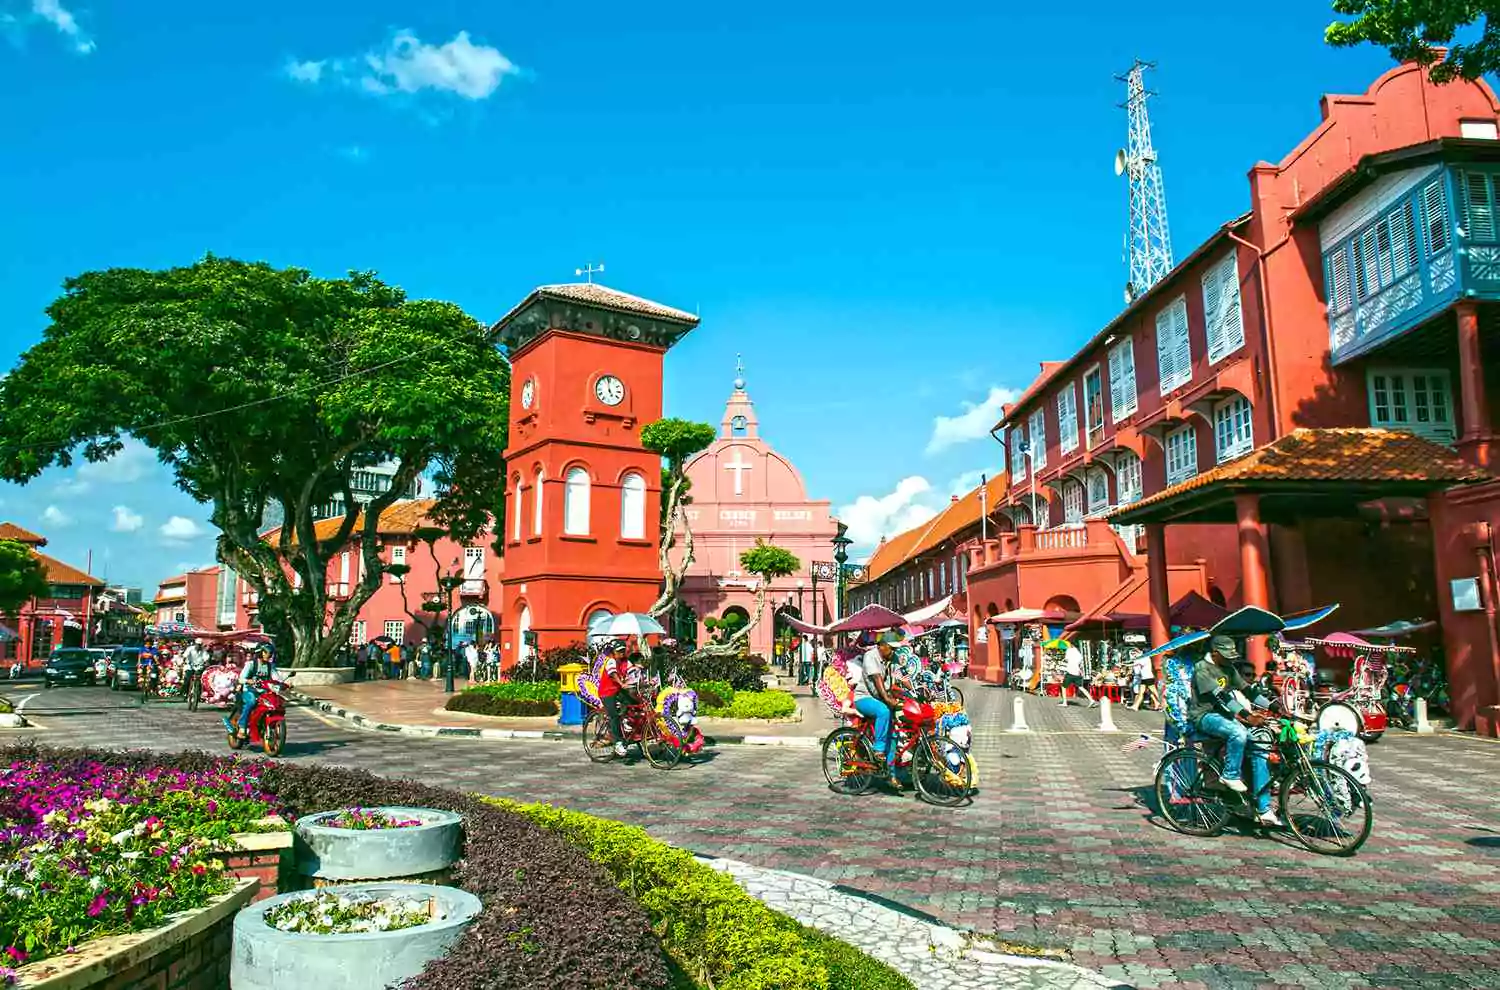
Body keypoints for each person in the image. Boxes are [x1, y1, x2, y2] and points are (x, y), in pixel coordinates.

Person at [1190, 635, 1278, 827]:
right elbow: (1222, 697)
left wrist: (1274, 706)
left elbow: (1249, 691)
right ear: (1215, 653)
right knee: (1238, 732)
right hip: (1205, 716)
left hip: (1226, 716)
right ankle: (1229, 775)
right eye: (1226, 655)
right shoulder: (1201, 669)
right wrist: (1247, 716)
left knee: (1260, 750)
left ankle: (1263, 809)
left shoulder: (1228, 668)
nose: (1231, 660)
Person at [851, 630, 903, 782]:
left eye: (895, 649)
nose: (893, 651)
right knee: (883, 711)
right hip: (864, 698)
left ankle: (891, 774)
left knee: (893, 735)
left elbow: (900, 677)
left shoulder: (892, 658)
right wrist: (888, 699)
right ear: (881, 646)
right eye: (891, 648)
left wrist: (913, 690)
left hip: (881, 698)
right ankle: (878, 749)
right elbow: (877, 679)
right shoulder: (870, 656)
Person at [597, 639, 637, 758]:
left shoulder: (625, 662)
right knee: (613, 715)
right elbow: (613, 674)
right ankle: (618, 743)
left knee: (633, 702)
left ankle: (626, 722)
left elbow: (632, 671)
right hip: (607, 692)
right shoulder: (611, 661)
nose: (622, 653)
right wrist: (622, 683)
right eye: (619, 651)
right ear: (614, 652)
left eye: (623, 651)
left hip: (618, 690)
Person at [231, 645, 279, 737]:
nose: (269, 655)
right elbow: (241, 679)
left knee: (274, 703)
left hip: (264, 692)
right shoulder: (251, 664)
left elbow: (277, 678)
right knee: (252, 702)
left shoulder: (270, 666)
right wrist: (248, 681)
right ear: (261, 653)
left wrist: (286, 684)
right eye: (267, 653)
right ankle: (242, 727)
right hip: (249, 691)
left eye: (271, 653)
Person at [1060, 640, 1096, 708]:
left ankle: (1065, 702)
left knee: (1063, 687)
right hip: (1077, 672)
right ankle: (1091, 700)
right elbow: (1080, 663)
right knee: (1081, 687)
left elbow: (1066, 660)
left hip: (1070, 671)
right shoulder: (1079, 653)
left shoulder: (1069, 651)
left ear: (1071, 644)